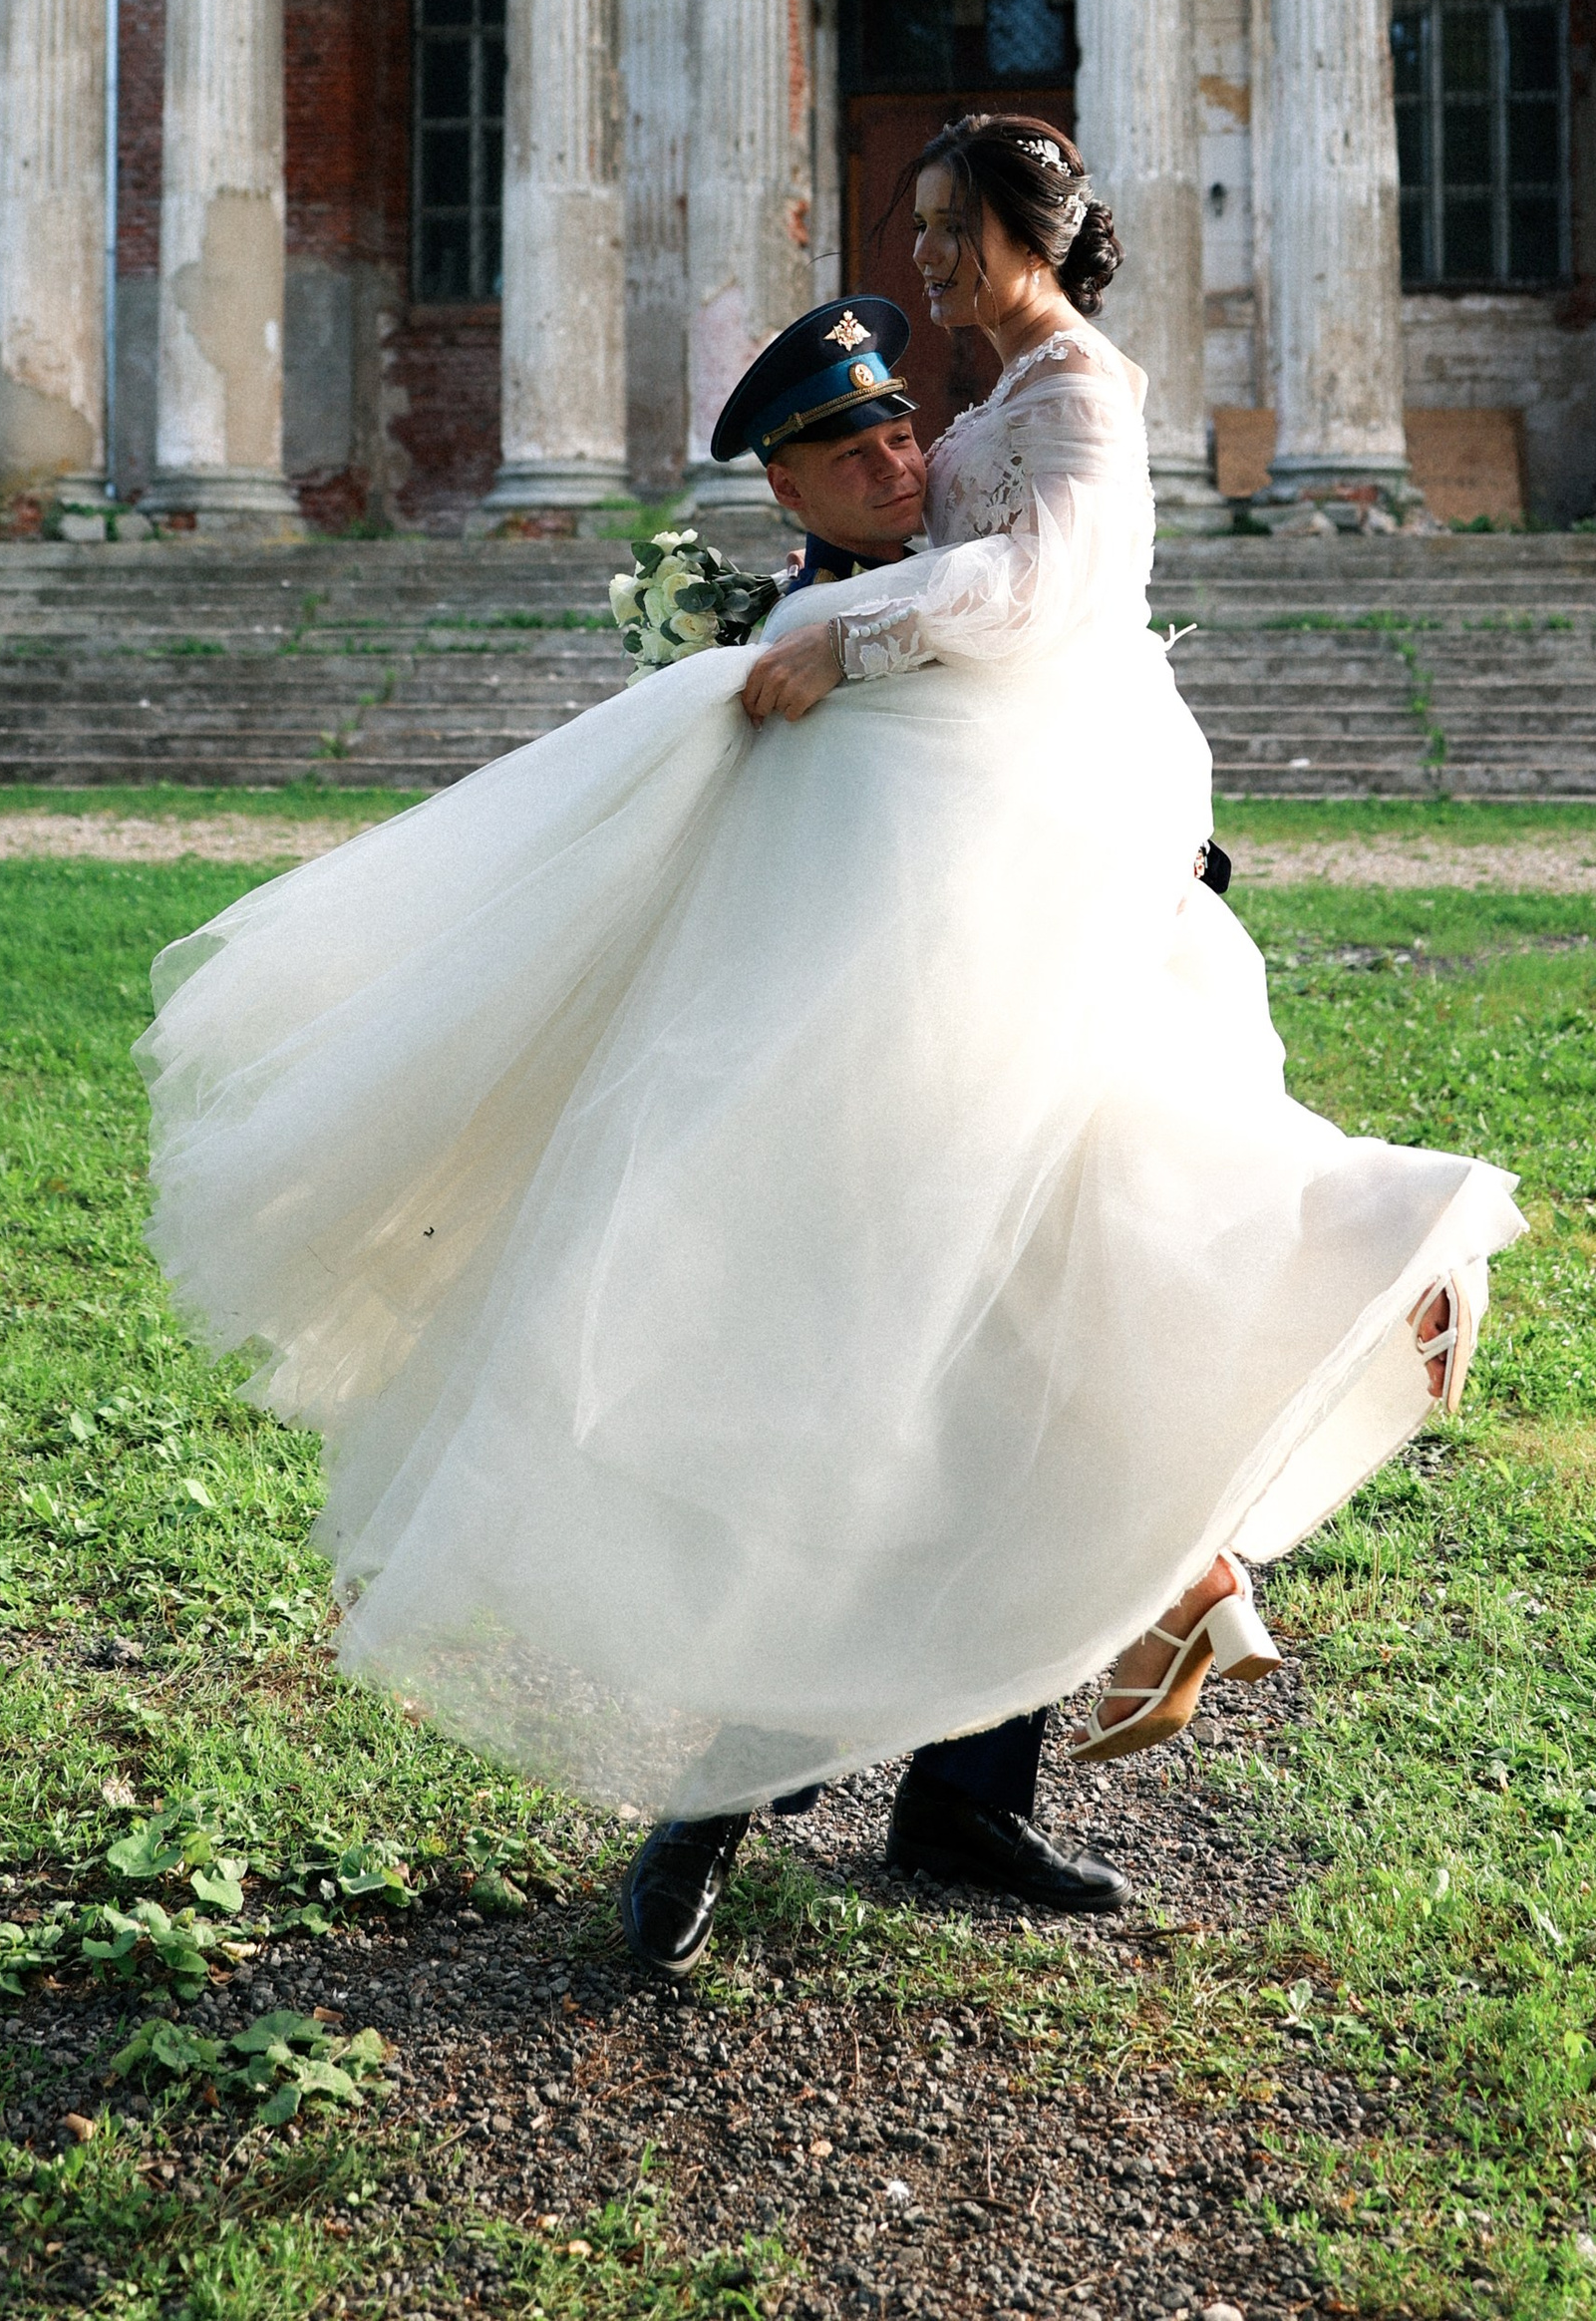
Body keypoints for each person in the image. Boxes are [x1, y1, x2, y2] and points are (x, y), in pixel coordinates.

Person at [133, 110, 1518, 1994]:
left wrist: (844, 632)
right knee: (863, 1311)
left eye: (947, 230)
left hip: (1036, 904)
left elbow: (1043, 607)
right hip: (911, 922)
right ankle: (729, 1782)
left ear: (1033, 228)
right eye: (920, 231)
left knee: (1035, 1292)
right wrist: (816, 608)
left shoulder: (1085, 399)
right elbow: (933, 568)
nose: (926, 260)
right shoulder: (973, 414)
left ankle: (968, 1783)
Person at [618, 297, 1130, 1975]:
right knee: (841, 1443)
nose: (900, 462)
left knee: (1023, 1414)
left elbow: (1063, 756)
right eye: (855, 451)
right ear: (787, 488)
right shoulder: (783, 648)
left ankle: (969, 1796)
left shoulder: (965, 596)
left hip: (1014, 1052)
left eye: (907, 430)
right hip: (852, 1094)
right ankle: (717, 1803)